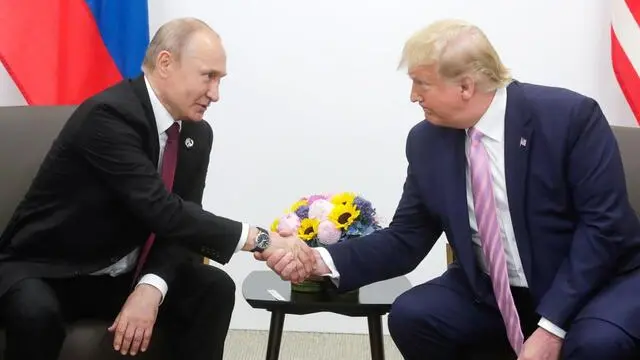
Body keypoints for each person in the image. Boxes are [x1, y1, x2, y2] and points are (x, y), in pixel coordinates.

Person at [259, 19, 640, 360]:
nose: (412, 96)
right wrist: (319, 260)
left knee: (595, 345)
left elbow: (602, 229)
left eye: (421, 83)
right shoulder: (427, 141)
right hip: (496, 290)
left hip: (595, 284)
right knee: (414, 316)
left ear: (465, 86)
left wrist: (552, 326)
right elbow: (406, 237)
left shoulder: (569, 118)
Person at [0, 17, 314, 360]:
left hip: (119, 275)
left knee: (213, 289)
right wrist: (260, 239)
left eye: (220, 80)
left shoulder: (196, 134)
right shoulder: (108, 117)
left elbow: (183, 223)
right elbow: (162, 210)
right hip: (49, 271)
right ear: (166, 63)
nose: (215, 94)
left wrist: (151, 287)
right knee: (35, 314)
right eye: (208, 76)